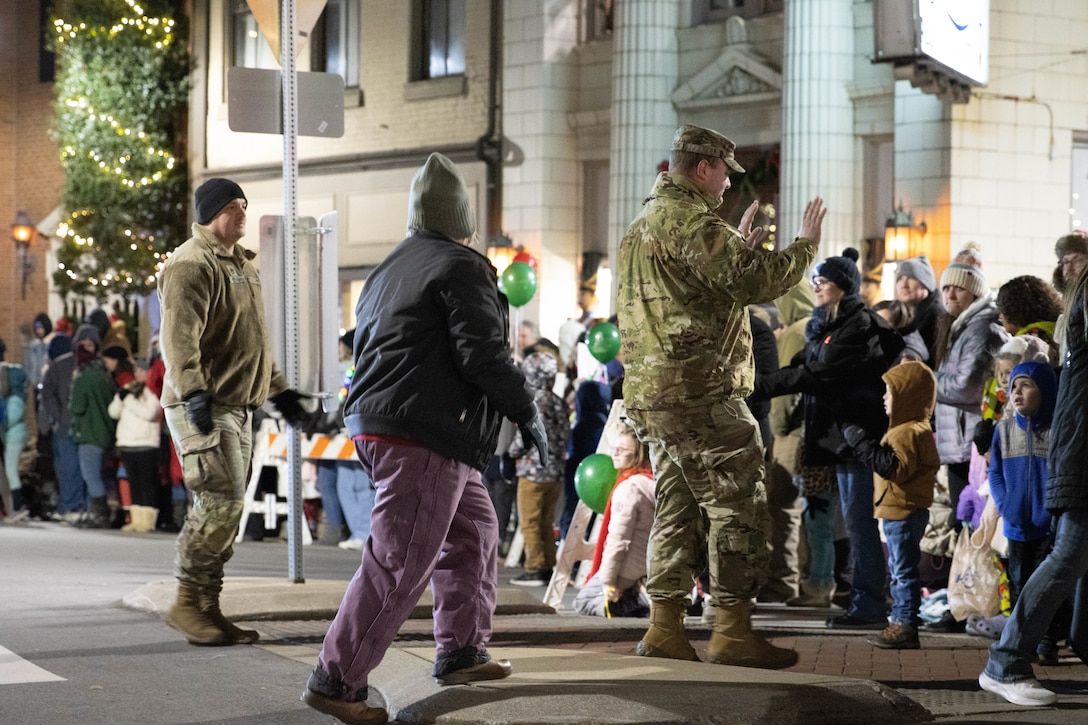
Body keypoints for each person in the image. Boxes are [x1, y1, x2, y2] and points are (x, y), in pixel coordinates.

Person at [301, 153, 546, 724]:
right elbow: (481, 355)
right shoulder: (462, 265)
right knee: (400, 559)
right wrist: (526, 408)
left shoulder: (389, 269)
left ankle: (461, 650)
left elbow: (365, 349)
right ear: (461, 216)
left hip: (383, 426)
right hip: (426, 433)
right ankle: (337, 679)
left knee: (476, 528)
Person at [617, 123, 825, 670]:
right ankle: (731, 630)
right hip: (700, 392)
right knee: (738, 505)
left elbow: (702, 289)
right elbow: (755, 282)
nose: (729, 186)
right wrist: (805, 247)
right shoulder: (690, 221)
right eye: (725, 174)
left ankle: (665, 628)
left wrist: (736, 245)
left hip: (654, 395)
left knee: (677, 506)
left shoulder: (641, 224)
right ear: (703, 167)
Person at [158, 177, 309, 647]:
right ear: (211, 213)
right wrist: (195, 392)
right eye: (233, 206)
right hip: (205, 404)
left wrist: (279, 392)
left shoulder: (241, 265)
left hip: (237, 407)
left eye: (245, 205)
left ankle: (208, 608)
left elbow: (253, 344)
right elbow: (179, 339)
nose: (243, 213)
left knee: (228, 509)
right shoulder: (190, 263)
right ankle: (187, 602)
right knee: (220, 504)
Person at [759, 248, 904, 630]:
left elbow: (816, 374)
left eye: (822, 281)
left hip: (858, 438)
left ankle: (870, 604)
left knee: (859, 523)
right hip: (840, 437)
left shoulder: (856, 327)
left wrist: (758, 388)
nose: (816, 287)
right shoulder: (829, 324)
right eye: (814, 282)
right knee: (848, 522)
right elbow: (805, 368)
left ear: (843, 287)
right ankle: (864, 599)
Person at [979, 258, 1088, 707]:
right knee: (1068, 556)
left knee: (1074, 558)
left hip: (1077, 444)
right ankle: (1005, 661)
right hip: (1081, 448)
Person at [839, 361, 940, 650]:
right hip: (901, 508)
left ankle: (904, 623)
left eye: (890, 392)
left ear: (908, 395)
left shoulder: (907, 431)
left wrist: (861, 444)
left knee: (903, 570)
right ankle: (901, 620)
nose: (884, 398)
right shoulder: (909, 429)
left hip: (903, 510)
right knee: (899, 567)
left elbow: (894, 469)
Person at [987, 361, 1061, 665]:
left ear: (1044, 390)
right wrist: (1006, 506)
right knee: (1019, 585)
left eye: (1025, 385)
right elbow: (995, 473)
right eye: (1013, 386)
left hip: (1048, 525)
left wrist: (1054, 511)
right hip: (1017, 525)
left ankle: (1047, 641)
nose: (1016, 392)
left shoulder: (1057, 431)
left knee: (1049, 588)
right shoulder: (1003, 431)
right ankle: (1021, 643)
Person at [933, 244, 1009, 530]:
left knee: (972, 523)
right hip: (960, 442)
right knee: (963, 521)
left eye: (959, 288)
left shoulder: (982, 328)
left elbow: (966, 387)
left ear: (975, 292)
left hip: (971, 445)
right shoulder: (961, 326)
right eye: (946, 288)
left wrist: (927, 380)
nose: (950, 294)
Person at [573, 423, 654, 618]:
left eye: (622, 450)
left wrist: (609, 581)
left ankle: (622, 604)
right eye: (614, 449)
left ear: (637, 455)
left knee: (582, 602)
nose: (615, 454)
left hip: (626, 569)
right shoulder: (651, 482)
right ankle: (631, 599)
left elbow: (618, 540)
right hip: (646, 565)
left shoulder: (628, 489)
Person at [508, 352, 569, 585]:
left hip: (532, 473)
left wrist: (512, 454)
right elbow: (565, 434)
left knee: (529, 521)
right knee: (545, 521)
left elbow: (524, 438)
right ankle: (548, 565)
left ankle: (534, 567)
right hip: (555, 473)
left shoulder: (531, 401)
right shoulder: (557, 401)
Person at [69, 326, 116, 529]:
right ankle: (95, 513)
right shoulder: (103, 374)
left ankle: (100, 515)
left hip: (89, 432)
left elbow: (77, 407)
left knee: (91, 475)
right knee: (97, 474)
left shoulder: (83, 377)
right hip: (104, 431)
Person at [108, 358, 162, 533]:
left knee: (147, 483)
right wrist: (119, 398)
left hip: (146, 444)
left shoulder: (152, 391)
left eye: (142, 371)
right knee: (134, 484)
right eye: (137, 370)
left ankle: (148, 521)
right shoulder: (128, 389)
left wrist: (129, 400)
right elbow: (113, 412)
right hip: (127, 443)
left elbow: (149, 412)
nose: (138, 374)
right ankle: (136, 519)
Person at [39, 334, 83, 520]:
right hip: (78, 425)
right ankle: (75, 506)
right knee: (77, 469)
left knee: (66, 469)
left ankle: (68, 507)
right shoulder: (80, 363)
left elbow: (46, 395)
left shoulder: (54, 367)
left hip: (63, 427)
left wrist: (55, 417)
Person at [994, 275, 1062, 365]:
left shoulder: (1026, 345)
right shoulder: (1056, 332)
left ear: (1013, 309)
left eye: (1001, 309)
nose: (1000, 316)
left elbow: (1006, 377)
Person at [893, 255, 945, 370]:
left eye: (911, 278)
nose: (904, 284)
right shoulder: (907, 314)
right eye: (900, 278)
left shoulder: (936, 316)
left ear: (926, 284)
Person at [0, 348, 29, 522]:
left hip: (13, 438)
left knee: (10, 471)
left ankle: (15, 506)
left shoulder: (13, 401)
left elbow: (9, 419)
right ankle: (12, 507)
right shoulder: (13, 399)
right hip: (10, 437)